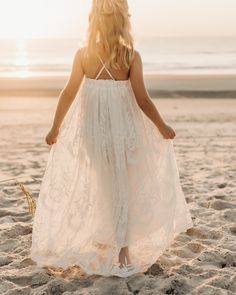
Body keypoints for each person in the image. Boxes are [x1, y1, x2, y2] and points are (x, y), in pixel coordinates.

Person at [30, 0, 194, 278]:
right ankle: (123, 250)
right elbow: (143, 100)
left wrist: (55, 127)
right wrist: (162, 125)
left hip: (94, 134)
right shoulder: (131, 56)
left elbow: (68, 92)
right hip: (124, 133)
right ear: (123, 21)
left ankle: (107, 238)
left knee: (105, 185)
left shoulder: (83, 55)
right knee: (124, 189)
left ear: (93, 20)